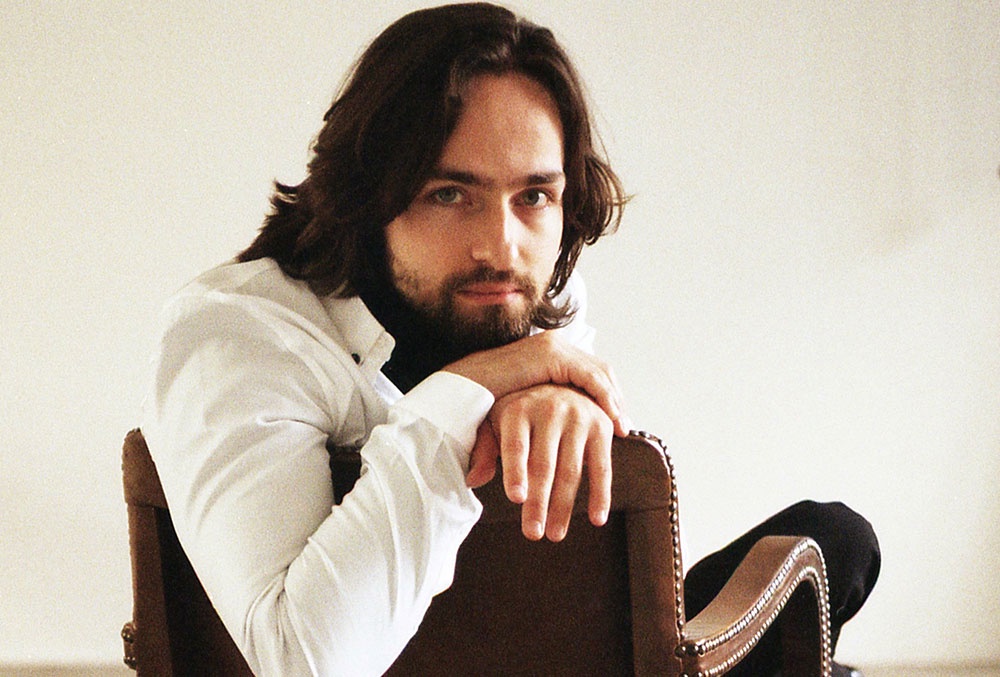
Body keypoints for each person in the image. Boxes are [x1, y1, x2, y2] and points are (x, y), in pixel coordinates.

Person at [142, 3, 879, 676]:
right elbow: (303, 663)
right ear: (369, 194)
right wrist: (475, 392)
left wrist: (560, 394)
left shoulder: (537, 301)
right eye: (449, 193)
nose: (501, 246)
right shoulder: (241, 333)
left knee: (836, 538)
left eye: (533, 196)